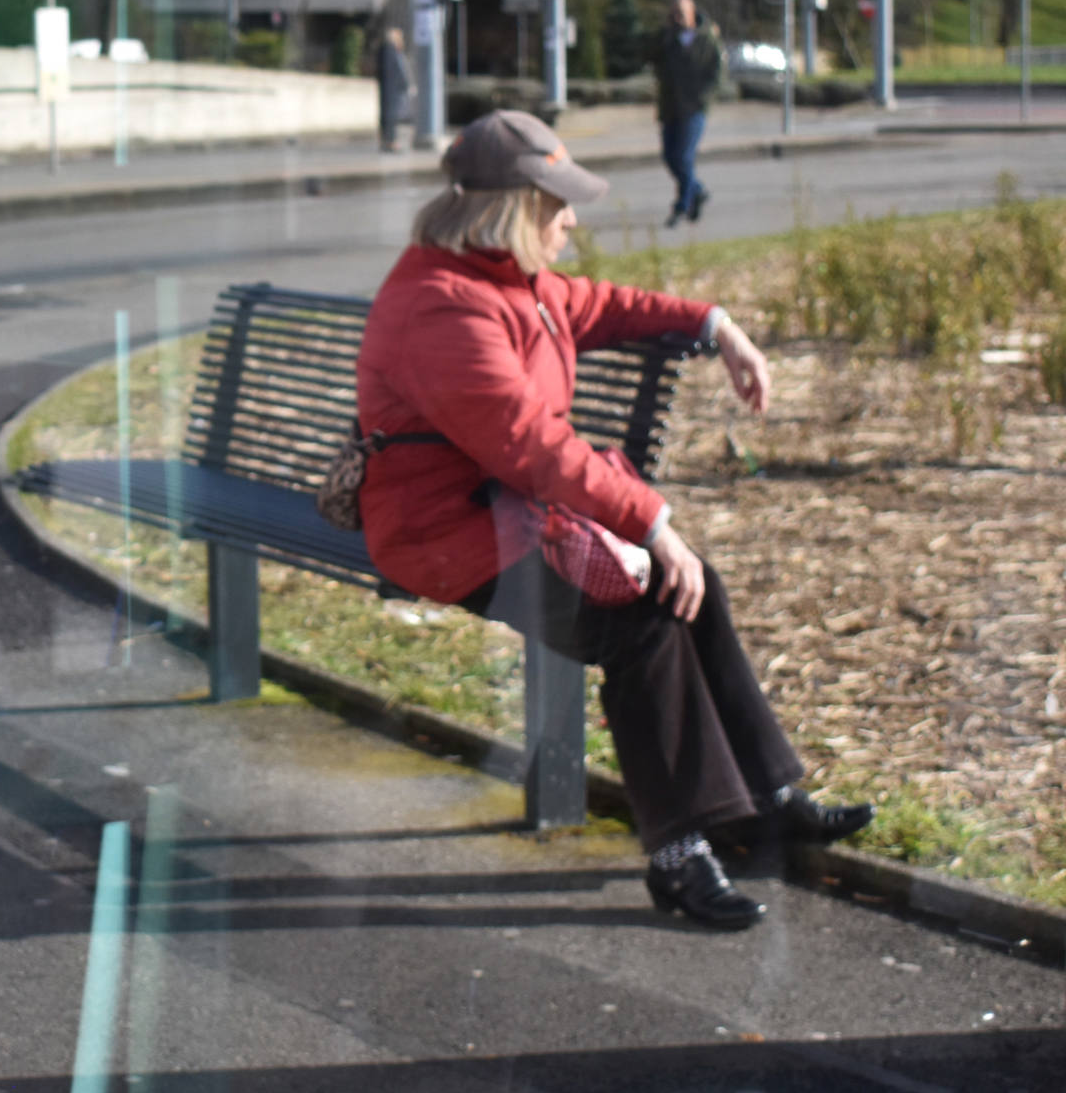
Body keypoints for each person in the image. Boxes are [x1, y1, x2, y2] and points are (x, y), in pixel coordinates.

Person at [354, 110, 870, 931]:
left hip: (504, 514)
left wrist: (713, 323)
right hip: (446, 537)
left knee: (692, 587)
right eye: (557, 205)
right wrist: (655, 520)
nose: (572, 219)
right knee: (639, 623)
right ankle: (677, 854)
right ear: (512, 209)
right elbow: (528, 444)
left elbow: (600, 304)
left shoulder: (504, 278)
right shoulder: (443, 308)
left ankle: (768, 800)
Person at [652, 0, 722, 228]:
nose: (677, 18)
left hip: (693, 110)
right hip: (671, 109)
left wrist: (702, 99)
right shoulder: (667, 39)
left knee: (684, 157)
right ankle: (697, 191)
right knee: (670, 157)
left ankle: (682, 205)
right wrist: (666, 33)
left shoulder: (706, 39)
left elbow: (717, 73)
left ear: (692, 14)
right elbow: (651, 57)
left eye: (681, 14)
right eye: (674, 14)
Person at [376, 23, 412, 153]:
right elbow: (390, 71)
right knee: (390, 116)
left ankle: (388, 141)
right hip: (391, 90)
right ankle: (390, 142)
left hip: (392, 89)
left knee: (390, 116)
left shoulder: (391, 50)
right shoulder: (388, 50)